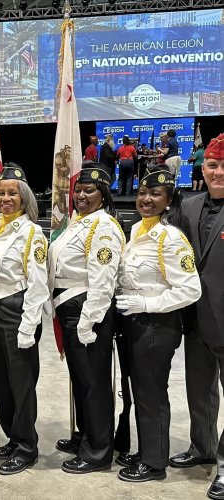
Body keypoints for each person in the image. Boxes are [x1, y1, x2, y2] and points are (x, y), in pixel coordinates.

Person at [115, 166, 201, 482]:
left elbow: (191, 289)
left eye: (155, 194)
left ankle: (154, 464)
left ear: (168, 201)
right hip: (135, 324)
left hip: (157, 326)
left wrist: (148, 303)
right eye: (142, 193)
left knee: (152, 395)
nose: (146, 199)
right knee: (141, 393)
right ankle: (148, 450)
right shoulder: (138, 229)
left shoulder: (170, 237)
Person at [48, 164, 124, 474]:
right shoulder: (79, 223)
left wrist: (88, 320)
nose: (81, 194)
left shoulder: (103, 226)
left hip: (87, 310)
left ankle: (99, 452)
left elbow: (103, 280)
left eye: (89, 190)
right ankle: (87, 435)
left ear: (103, 194)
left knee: (94, 382)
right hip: (69, 305)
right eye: (78, 189)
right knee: (82, 380)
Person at [0, 163, 47, 475]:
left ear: (24, 198)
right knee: (2, 381)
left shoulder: (30, 232)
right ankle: (13, 436)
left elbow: (38, 284)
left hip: (18, 310)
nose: (6, 198)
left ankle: (28, 446)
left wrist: (28, 327)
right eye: (1, 192)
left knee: (21, 383)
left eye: (13, 194)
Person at [169, 133, 224, 500]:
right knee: (198, 390)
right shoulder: (187, 206)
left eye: (223, 166)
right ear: (202, 169)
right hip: (196, 319)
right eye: (213, 165)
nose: (218, 172)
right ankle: (201, 447)